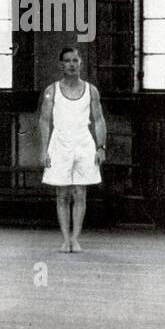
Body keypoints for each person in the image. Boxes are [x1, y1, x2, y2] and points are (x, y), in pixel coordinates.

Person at [38, 47, 106, 253]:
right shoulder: (52, 91)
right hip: (60, 144)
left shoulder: (91, 90)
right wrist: (43, 150)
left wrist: (101, 147)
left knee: (80, 193)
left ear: (81, 63)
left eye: (75, 60)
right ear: (61, 65)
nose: (71, 64)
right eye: (67, 61)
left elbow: (99, 120)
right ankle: (65, 239)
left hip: (84, 144)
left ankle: (75, 239)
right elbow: (44, 120)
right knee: (62, 194)